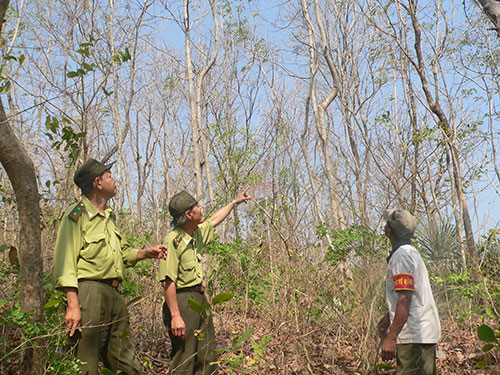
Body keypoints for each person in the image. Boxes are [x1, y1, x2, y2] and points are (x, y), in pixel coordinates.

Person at [53, 158, 168, 375]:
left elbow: (123, 254)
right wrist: (73, 304)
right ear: (97, 182)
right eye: (110, 176)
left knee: (127, 363)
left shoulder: (109, 218)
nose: (115, 181)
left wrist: (146, 253)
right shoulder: (77, 214)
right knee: (85, 364)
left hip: (114, 294)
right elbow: (65, 260)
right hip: (88, 294)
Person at [159, 188, 252, 375]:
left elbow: (215, 220)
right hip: (182, 301)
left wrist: (235, 202)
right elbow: (168, 281)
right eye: (198, 207)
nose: (202, 210)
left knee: (207, 358)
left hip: (200, 300)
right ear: (189, 214)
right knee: (184, 360)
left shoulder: (197, 233)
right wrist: (176, 315)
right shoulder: (172, 240)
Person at [377, 209, 441, 375]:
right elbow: (406, 295)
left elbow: (405, 299)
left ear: (389, 231)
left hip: (414, 336)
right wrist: (388, 318)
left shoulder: (402, 256)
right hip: (421, 334)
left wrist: (391, 338)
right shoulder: (410, 253)